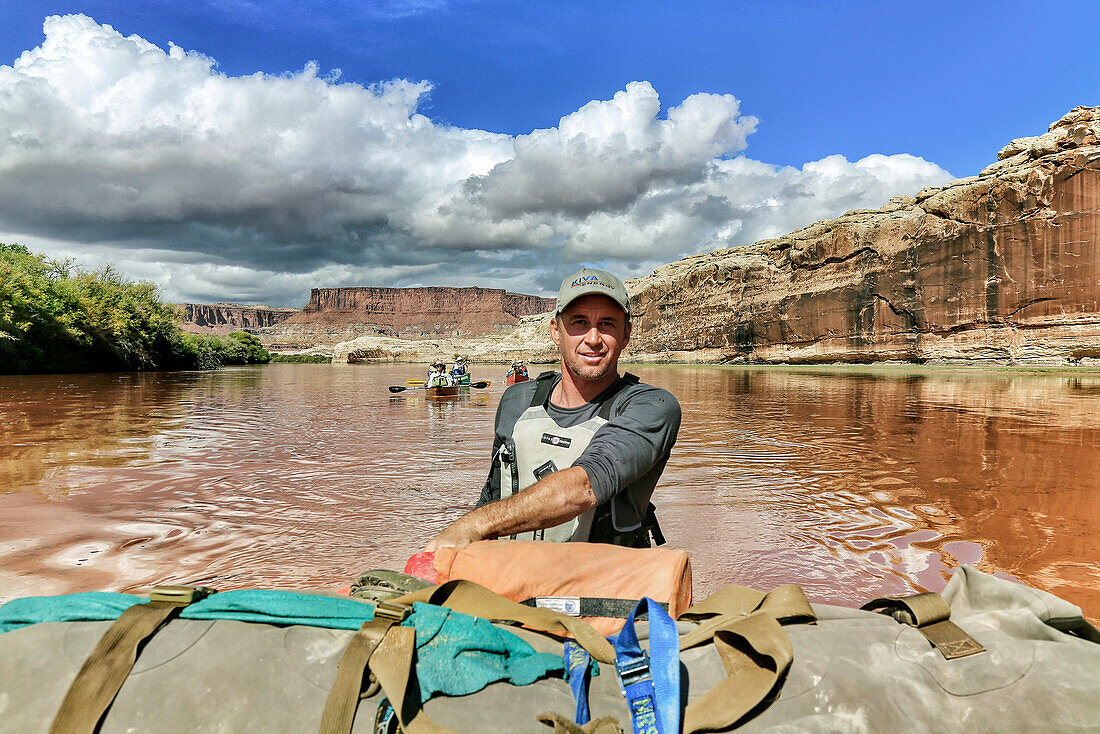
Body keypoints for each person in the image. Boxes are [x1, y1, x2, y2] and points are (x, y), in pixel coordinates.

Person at [425, 268, 681, 551]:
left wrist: (472, 525)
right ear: (556, 332)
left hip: (604, 587)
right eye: (579, 323)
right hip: (515, 579)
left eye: (607, 324)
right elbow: (493, 495)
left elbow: (585, 486)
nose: (593, 339)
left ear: (626, 334)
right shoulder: (517, 401)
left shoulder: (651, 406)